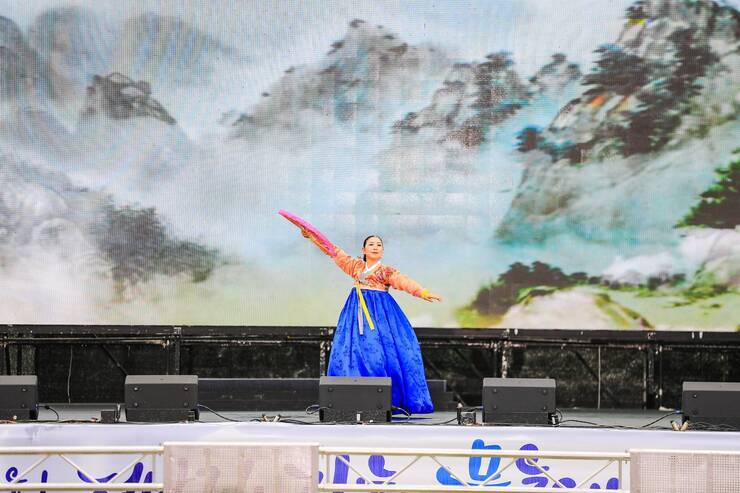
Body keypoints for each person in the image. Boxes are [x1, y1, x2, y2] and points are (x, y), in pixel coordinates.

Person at [281, 211, 441, 414]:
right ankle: (351, 398)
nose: (375, 247)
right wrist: (312, 237)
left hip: (381, 313)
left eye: (379, 245)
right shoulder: (354, 266)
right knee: (353, 349)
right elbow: (333, 251)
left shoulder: (387, 271)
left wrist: (422, 292)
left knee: (381, 352)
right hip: (356, 313)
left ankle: (387, 399)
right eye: (371, 244)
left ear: (382, 251)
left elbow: (404, 282)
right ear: (363, 249)